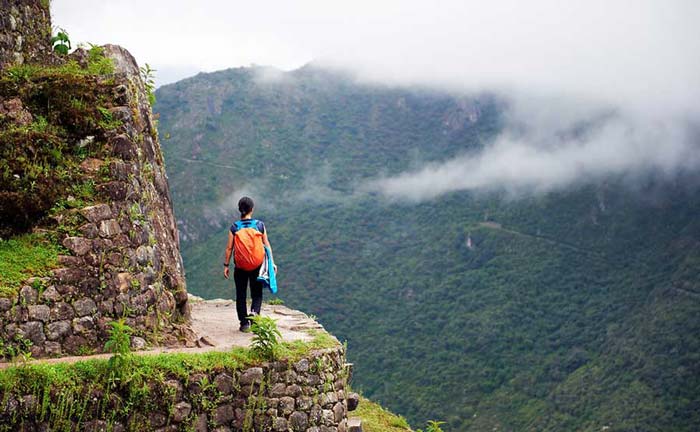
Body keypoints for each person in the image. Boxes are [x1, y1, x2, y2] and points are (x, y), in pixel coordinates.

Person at [223, 196, 276, 332]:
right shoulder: (259, 225)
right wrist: (272, 263)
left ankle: (244, 323)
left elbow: (229, 248)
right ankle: (254, 316)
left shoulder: (234, 227)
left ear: (240, 210)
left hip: (240, 267)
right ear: (252, 209)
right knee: (256, 293)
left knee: (241, 294)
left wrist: (226, 265)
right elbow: (267, 245)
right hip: (257, 266)